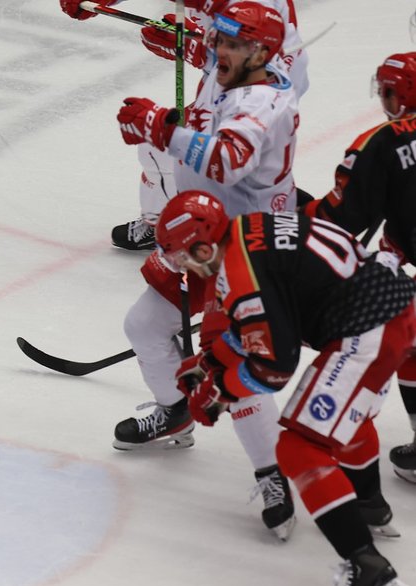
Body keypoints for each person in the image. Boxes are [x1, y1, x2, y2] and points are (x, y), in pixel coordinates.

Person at [158, 191, 415, 586]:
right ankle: (368, 506)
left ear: (204, 246)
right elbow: (271, 319)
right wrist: (210, 363)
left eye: (182, 257)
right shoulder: (248, 230)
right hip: (392, 307)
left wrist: (220, 391)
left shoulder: (239, 272)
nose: (184, 267)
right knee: (343, 420)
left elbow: (275, 368)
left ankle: (369, 569)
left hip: (368, 329)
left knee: (297, 446)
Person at [110, 2, 301, 539]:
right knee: (144, 325)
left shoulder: (263, 101)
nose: (218, 50)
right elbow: (193, 45)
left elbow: (227, 159)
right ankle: (174, 413)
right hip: (200, 231)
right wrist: (156, 30)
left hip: (245, 250)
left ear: (262, 52)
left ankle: (272, 475)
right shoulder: (233, 64)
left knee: (235, 368)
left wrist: (156, 125)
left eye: (231, 43)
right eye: (218, 40)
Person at [59, 0, 308, 250]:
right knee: (171, 152)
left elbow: (260, 63)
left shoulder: (255, 20)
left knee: (185, 154)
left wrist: (195, 49)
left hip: (248, 89)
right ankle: (175, 221)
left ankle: (182, 226)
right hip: (229, 78)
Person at [301, 52, 416, 484]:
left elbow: (344, 216)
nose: (384, 100)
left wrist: (296, 214)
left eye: (387, 92)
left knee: (403, 337)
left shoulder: (381, 142)